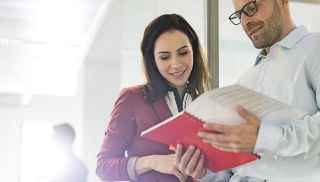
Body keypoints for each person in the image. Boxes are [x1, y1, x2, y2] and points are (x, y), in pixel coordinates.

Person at [198, 0, 320, 182]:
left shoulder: (314, 47)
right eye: (239, 15)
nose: (246, 21)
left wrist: (262, 137)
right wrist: (202, 171)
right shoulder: (247, 78)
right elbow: (237, 168)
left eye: (252, 8)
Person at [96, 14, 216, 182]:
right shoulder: (132, 99)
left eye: (183, 53)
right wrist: (152, 162)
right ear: (152, 60)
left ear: (194, 52)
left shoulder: (207, 103)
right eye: (165, 57)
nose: (176, 64)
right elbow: (103, 167)